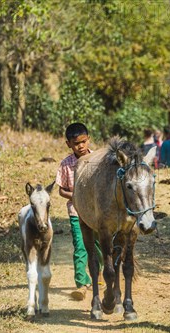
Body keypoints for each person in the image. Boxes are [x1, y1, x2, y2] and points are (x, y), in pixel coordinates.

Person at [56, 122, 103, 301]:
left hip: (96, 213)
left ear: (89, 139)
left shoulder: (98, 159)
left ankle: (99, 275)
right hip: (76, 213)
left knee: (99, 245)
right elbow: (61, 190)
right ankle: (81, 284)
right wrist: (76, 196)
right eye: (76, 143)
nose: (81, 146)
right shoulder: (66, 164)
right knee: (80, 246)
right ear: (68, 144)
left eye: (83, 142)